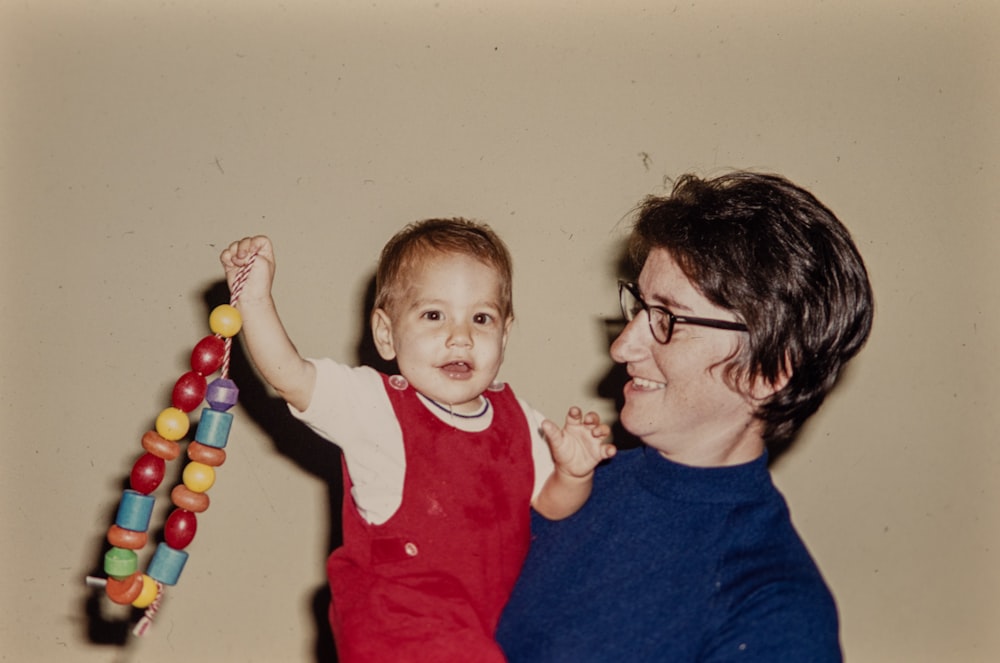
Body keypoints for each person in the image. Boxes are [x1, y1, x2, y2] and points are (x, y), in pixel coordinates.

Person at [496, 171, 874, 662]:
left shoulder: (776, 614)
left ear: (769, 371)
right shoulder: (568, 483)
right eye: (639, 305)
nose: (623, 345)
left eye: (668, 320)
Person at [220, 219, 615, 662]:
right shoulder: (375, 407)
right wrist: (254, 300)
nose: (460, 336)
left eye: (481, 318)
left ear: (505, 335)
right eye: (433, 315)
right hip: (397, 630)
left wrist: (574, 472)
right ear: (386, 334)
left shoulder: (519, 420)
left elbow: (551, 503)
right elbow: (290, 375)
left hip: (484, 631)